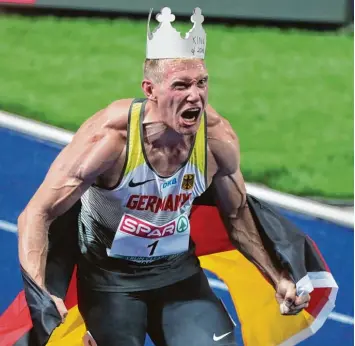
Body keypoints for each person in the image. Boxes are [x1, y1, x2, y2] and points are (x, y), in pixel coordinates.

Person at [17, 7, 310, 346]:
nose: (195, 95)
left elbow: (237, 213)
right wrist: (41, 295)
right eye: (181, 85)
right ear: (150, 90)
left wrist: (278, 277)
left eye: (201, 83)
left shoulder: (216, 141)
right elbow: (37, 213)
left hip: (177, 272)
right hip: (110, 279)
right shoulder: (111, 140)